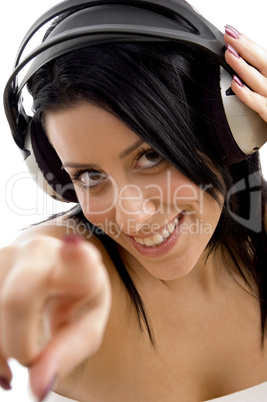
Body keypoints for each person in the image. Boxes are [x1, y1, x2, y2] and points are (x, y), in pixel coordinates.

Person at [1, 0, 267, 401]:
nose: (133, 216)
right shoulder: (75, 280)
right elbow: (35, 260)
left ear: (227, 127)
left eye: (151, 156)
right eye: (89, 176)